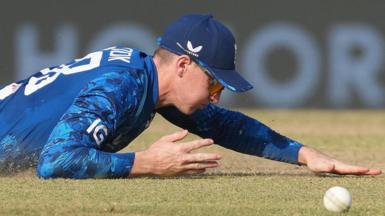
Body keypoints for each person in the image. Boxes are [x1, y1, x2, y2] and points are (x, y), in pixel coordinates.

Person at [0, 14, 381, 178]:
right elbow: (55, 161)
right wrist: (147, 163)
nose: (216, 97)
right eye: (214, 83)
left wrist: (306, 155)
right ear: (184, 65)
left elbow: (228, 127)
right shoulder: (125, 85)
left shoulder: (148, 82)